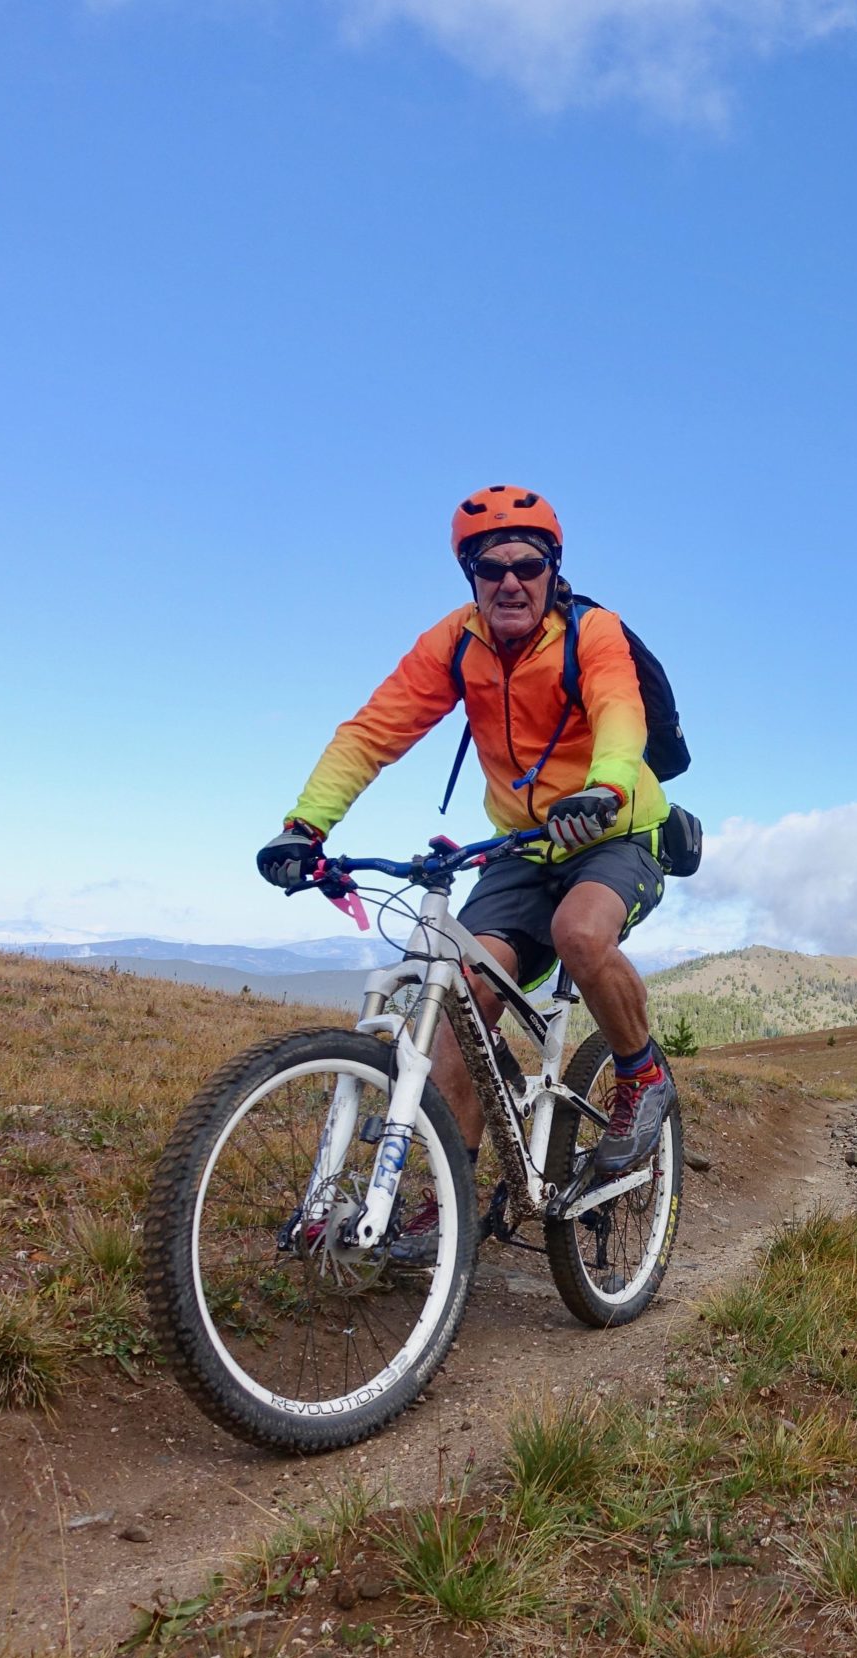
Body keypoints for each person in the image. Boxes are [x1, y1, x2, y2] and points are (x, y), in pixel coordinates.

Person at [255, 486, 676, 1215]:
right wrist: (305, 826)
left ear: (553, 568)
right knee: (461, 993)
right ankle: (450, 1195)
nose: (510, 580)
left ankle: (642, 1076)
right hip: (522, 845)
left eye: (527, 563)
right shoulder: (455, 642)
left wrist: (606, 786)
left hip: (615, 832)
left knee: (580, 932)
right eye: (490, 567)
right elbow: (371, 733)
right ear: (470, 576)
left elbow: (618, 706)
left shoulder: (591, 632)